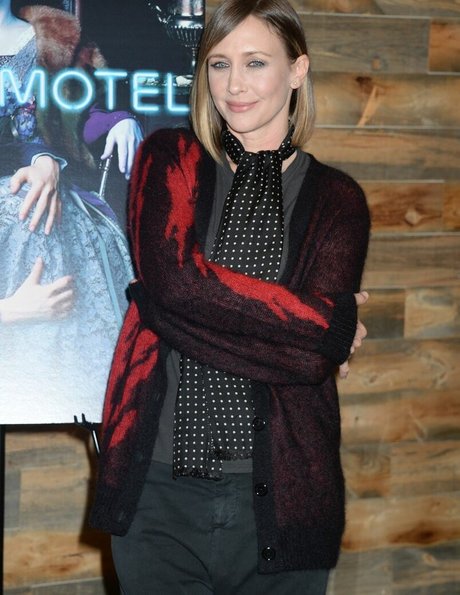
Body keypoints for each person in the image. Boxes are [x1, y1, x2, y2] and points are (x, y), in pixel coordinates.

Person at [90, 0, 370, 593]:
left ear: (297, 70)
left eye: (255, 62)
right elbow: (176, 286)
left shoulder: (337, 199)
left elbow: (309, 362)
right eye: (218, 64)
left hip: (287, 496)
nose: (234, 84)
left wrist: (166, 309)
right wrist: (325, 326)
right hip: (156, 490)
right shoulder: (170, 156)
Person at [0, 2, 141, 422]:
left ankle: (60, 396)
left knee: (40, 211)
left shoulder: (56, 36)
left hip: (39, 181)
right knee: (26, 213)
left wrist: (118, 121)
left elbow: (77, 116)